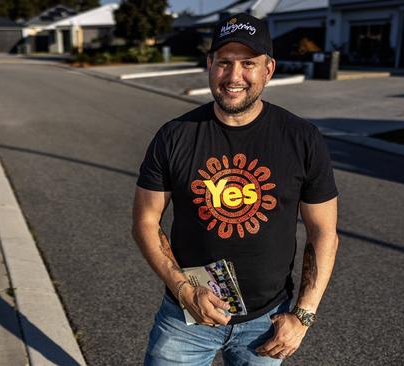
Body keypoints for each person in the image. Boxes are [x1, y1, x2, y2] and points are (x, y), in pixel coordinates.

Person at [132, 12, 339, 366]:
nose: (234, 76)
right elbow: (145, 222)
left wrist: (303, 315)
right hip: (186, 314)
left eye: (248, 63)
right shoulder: (174, 136)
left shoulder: (302, 139)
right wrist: (184, 290)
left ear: (269, 69)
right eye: (224, 63)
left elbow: (324, 233)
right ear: (210, 64)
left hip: (267, 322)